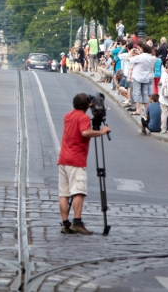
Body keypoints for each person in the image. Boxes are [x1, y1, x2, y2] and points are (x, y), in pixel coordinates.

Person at [58, 93, 111, 235]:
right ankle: (77, 222)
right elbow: (85, 132)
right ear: (89, 105)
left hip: (63, 158)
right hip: (76, 159)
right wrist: (101, 132)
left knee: (64, 193)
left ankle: (65, 223)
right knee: (78, 192)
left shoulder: (68, 115)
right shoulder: (83, 117)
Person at [127, 44, 157, 116]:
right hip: (146, 77)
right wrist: (139, 53)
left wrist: (131, 52)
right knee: (145, 93)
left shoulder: (139, 57)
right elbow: (145, 56)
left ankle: (138, 109)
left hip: (137, 76)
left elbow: (128, 59)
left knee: (136, 92)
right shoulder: (151, 57)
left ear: (143, 49)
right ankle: (146, 110)